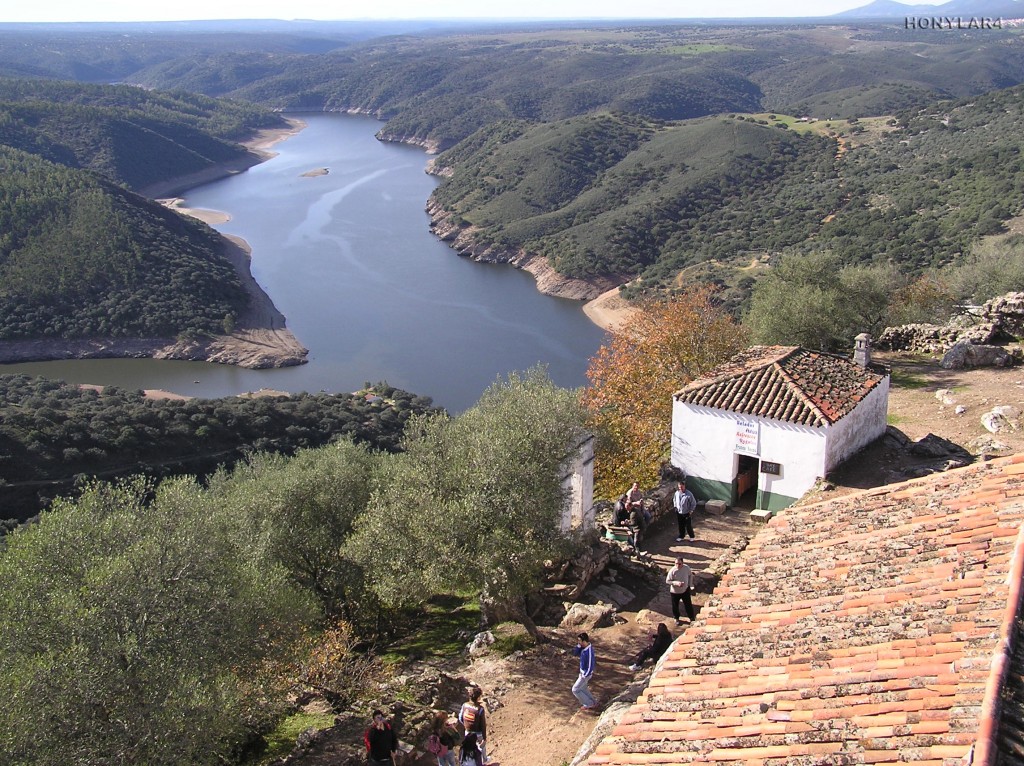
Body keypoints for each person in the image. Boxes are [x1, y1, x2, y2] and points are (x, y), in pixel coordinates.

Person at [458, 686, 488, 762]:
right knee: (481, 747)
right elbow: (483, 725)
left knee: (469, 747)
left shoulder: (464, 705)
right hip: (478, 733)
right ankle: (483, 760)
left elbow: (460, 717)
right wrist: (484, 737)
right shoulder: (480, 709)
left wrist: (466, 726)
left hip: (467, 732)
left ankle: (470, 761)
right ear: (478, 697)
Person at [571, 631, 598, 712]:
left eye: (580, 641)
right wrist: (578, 646)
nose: (579, 643)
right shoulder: (583, 648)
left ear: (584, 641)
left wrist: (585, 675)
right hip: (582, 673)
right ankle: (593, 702)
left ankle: (588, 704)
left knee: (575, 689)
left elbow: (590, 665)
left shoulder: (589, 652)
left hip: (585, 675)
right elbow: (575, 653)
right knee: (583, 688)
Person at [666, 557, 696, 625]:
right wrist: (676, 583)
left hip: (685, 590)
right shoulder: (672, 570)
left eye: (679, 564)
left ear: (682, 563)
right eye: (676, 564)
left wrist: (690, 584)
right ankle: (676, 618)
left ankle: (692, 618)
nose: (678, 565)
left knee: (688, 604)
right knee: (675, 606)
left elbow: (690, 575)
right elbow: (667, 581)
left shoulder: (686, 568)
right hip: (675, 592)